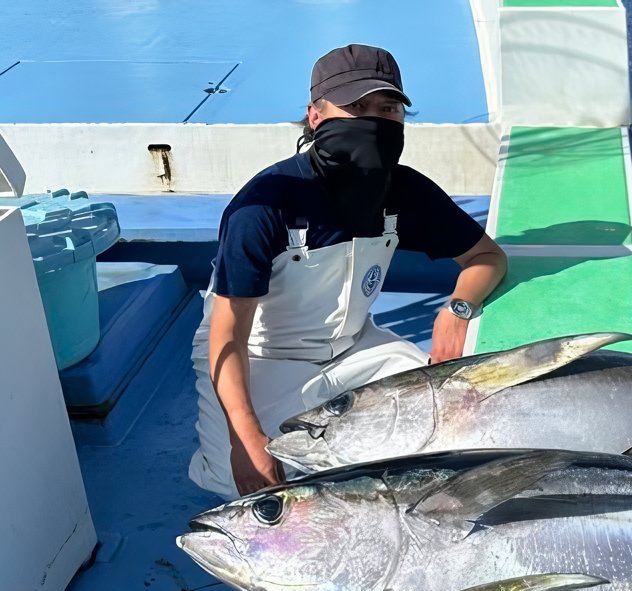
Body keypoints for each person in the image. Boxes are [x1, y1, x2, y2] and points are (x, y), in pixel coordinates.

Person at [189, 44, 507, 499]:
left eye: (387, 108)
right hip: (258, 356)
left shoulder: (406, 192)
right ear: (315, 116)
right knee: (246, 483)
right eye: (356, 106)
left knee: (450, 424)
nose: (373, 121)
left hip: (357, 344)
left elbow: (487, 258)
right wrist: (245, 438)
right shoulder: (264, 205)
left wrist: (457, 308)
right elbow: (227, 335)